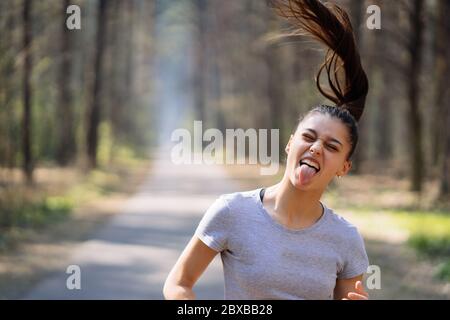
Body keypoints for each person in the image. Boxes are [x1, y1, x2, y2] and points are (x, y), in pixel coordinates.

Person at [163, 0, 370, 300]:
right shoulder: (233, 211)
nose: (315, 148)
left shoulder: (346, 239)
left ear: (343, 167)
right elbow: (179, 283)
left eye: (331, 146)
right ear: (289, 144)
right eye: (308, 137)